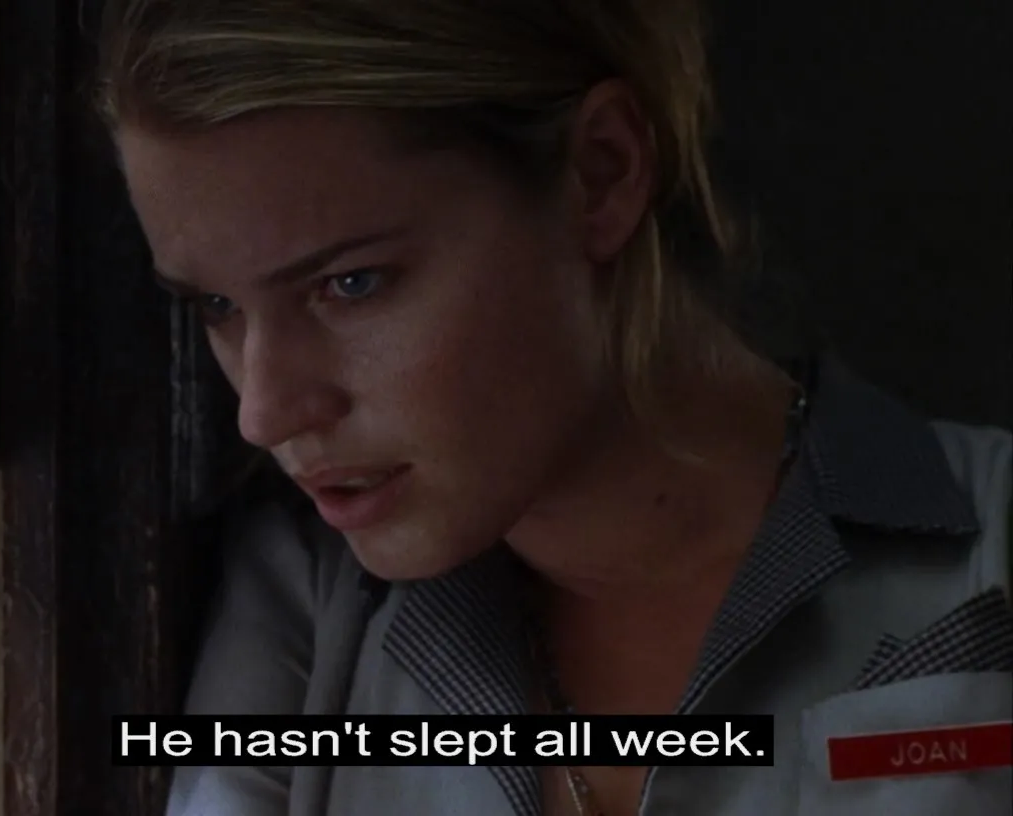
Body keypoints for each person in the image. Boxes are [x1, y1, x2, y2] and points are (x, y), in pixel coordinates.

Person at [92, 1, 1013, 814]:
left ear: (602, 173)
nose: (265, 412)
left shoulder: (990, 542)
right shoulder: (303, 614)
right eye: (217, 306)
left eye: (352, 283)